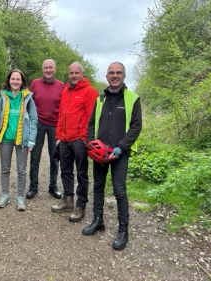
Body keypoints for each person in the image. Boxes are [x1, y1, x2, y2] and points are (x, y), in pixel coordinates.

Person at [83, 62, 142, 250]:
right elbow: (91, 123)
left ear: (124, 76)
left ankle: (123, 231)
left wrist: (121, 147)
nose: (114, 76)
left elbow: (136, 126)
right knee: (98, 186)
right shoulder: (99, 100)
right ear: (106, 77)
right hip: (100, 153)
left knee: (119, 191)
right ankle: (98, 220)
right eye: (111, 73)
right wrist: (91, 144)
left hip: (119, 154)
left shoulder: (133, 99)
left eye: (118, 73)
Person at [51, 61, 98, 222]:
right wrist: (59, 136)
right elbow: (61, 115)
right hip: (64, 139)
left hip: (79, 139)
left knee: (82, 173)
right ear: (68, 74)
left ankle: (81, 205)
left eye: (77, 73)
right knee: (65, 170)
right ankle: (68, 199)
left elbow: (93, 118)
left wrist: (86, 139)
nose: (74, 75)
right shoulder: (65, 90)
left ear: (82, 74)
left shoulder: (90, 92)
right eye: (71, 73)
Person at [0, 69, 38, 211]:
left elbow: (33, 119)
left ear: (22, 82)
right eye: (13, 79)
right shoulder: (3, 97)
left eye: (18, 79)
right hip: (5, 139)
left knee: (21, 170)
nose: (15, 81)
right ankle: (5, 195)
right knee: (5, 169)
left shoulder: (27, 98)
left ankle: (20, 197)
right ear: (9, 80)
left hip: (22, 140)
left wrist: (31, 140)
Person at [26, 59, 65, 200]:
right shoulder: (35, 83)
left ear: (55, 69)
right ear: (42, 70)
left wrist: (62, 128)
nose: (48, 70)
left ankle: (53, 187)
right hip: (38, 124)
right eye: (46, 68)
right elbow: (28, 103)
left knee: (54, 158)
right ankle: (33, 187)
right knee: (35, 157)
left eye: (50, 68)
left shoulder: (61, 85)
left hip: (55, 125)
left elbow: (64, 107)